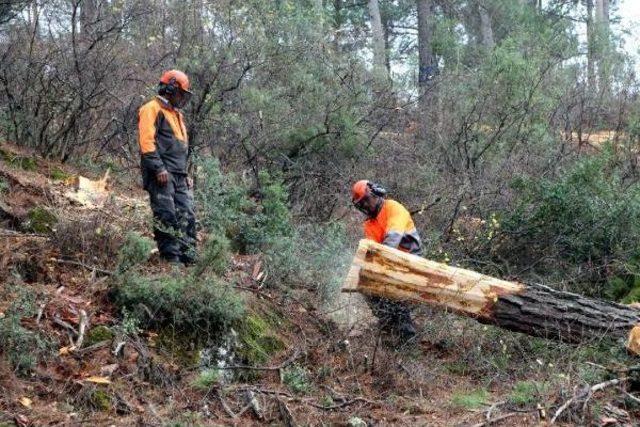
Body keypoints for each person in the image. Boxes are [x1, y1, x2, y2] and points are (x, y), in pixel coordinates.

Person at [138, 69, 197, 265]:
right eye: (181, 93)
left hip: (179, 175)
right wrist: (158, 168)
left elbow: (178, 148)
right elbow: (146, 142)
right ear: (170, 88)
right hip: (162, 174)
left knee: (187, 214)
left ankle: (189, 257)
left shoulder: (176, 115)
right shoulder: (151, 109)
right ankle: (171, 259)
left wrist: (185, 172)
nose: (182, 98)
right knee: (166, 214)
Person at [351, 179, 423, 341]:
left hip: (410, 260)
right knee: (364, 282)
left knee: (393, 290)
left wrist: (378, 266)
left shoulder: (393, 208)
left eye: (366, 201)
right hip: (390, 261)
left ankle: (407, 335)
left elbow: (392, 240)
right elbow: (374, 251)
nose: (365, 207)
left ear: (376, 193)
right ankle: (387, 322)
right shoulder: (369, 224)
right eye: (361, 205)